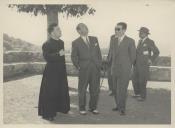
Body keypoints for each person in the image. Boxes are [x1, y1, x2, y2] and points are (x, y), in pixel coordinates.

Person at [38, 23, 70, 121]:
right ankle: (48, 114)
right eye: (58, 29)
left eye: (59, 29)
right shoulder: (46, 44)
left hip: (60, 71)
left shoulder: (61, 42)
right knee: (50, 92)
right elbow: (47, 57)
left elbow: (62, 58)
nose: (60, 31)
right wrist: (58, 54)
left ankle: (59, 108)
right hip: (51, 72)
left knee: (60, 90)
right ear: (52, 32)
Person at [71, 23, 102, 115]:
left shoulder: (94, 39)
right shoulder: (75, 42)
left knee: (95, 89)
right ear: (79, 31)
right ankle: (82, 108)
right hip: (84, 69)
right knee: (82, 89)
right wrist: (79, 66)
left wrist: (99, 64)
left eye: (86, 27)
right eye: (83, 28)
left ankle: (93, 107)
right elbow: (74, 57)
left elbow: (99, 53)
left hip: (95, 69)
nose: (86, 29)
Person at [108, 22, 136, 115]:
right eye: (115, 29)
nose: (116, 31)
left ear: (124, 30)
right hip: (114, 69)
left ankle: (122, 108)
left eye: (118, 29)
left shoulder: (130, 41)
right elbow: (111, 53)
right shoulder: (113, 40)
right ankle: (118, 105)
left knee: (122, 89)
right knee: (115, 89)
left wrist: (128, 67)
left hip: (125, 70)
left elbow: (133, 57)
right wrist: (108, 62)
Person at [132, 27, 160, 101]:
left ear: (145, 34)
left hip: (144, 65)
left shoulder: (150, 42)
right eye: (139, 32)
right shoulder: (139, 41)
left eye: (140, 33)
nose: (139, 34)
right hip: (136, 64)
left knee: (142, 80)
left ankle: (142, 96)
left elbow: (156, 52)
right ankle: (137, 93)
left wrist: (151, 59)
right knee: (134, 79)